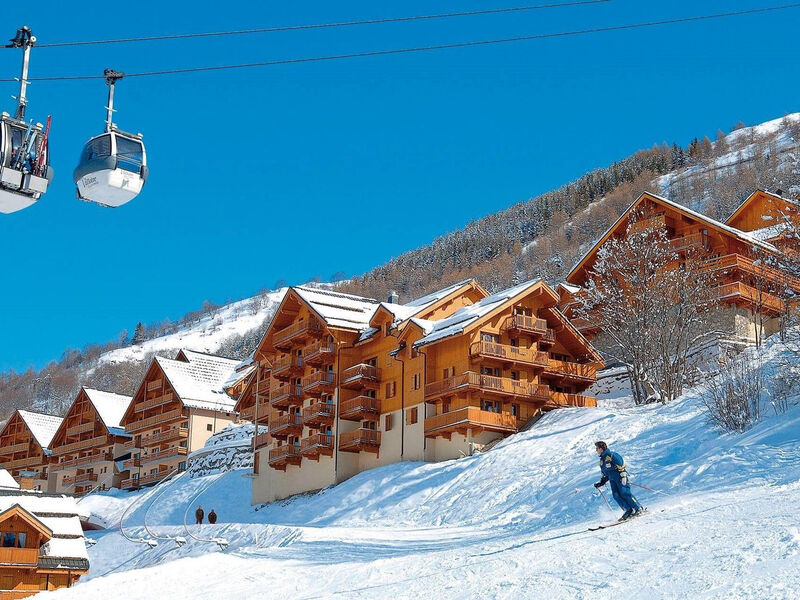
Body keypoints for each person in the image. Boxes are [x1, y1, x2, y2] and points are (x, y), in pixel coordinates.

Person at [593, 441, 643, 521]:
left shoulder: (611, 455)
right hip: (612, 480)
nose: (596, 450)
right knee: (616, 496)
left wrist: (623, 476)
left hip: (620, 477)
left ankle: (638, 508)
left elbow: (621, 464)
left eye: (597, 448)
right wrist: (601, 482)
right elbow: (605, 473)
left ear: (601, 448)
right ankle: (628, 510)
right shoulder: (602, 461)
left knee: (625, 493)